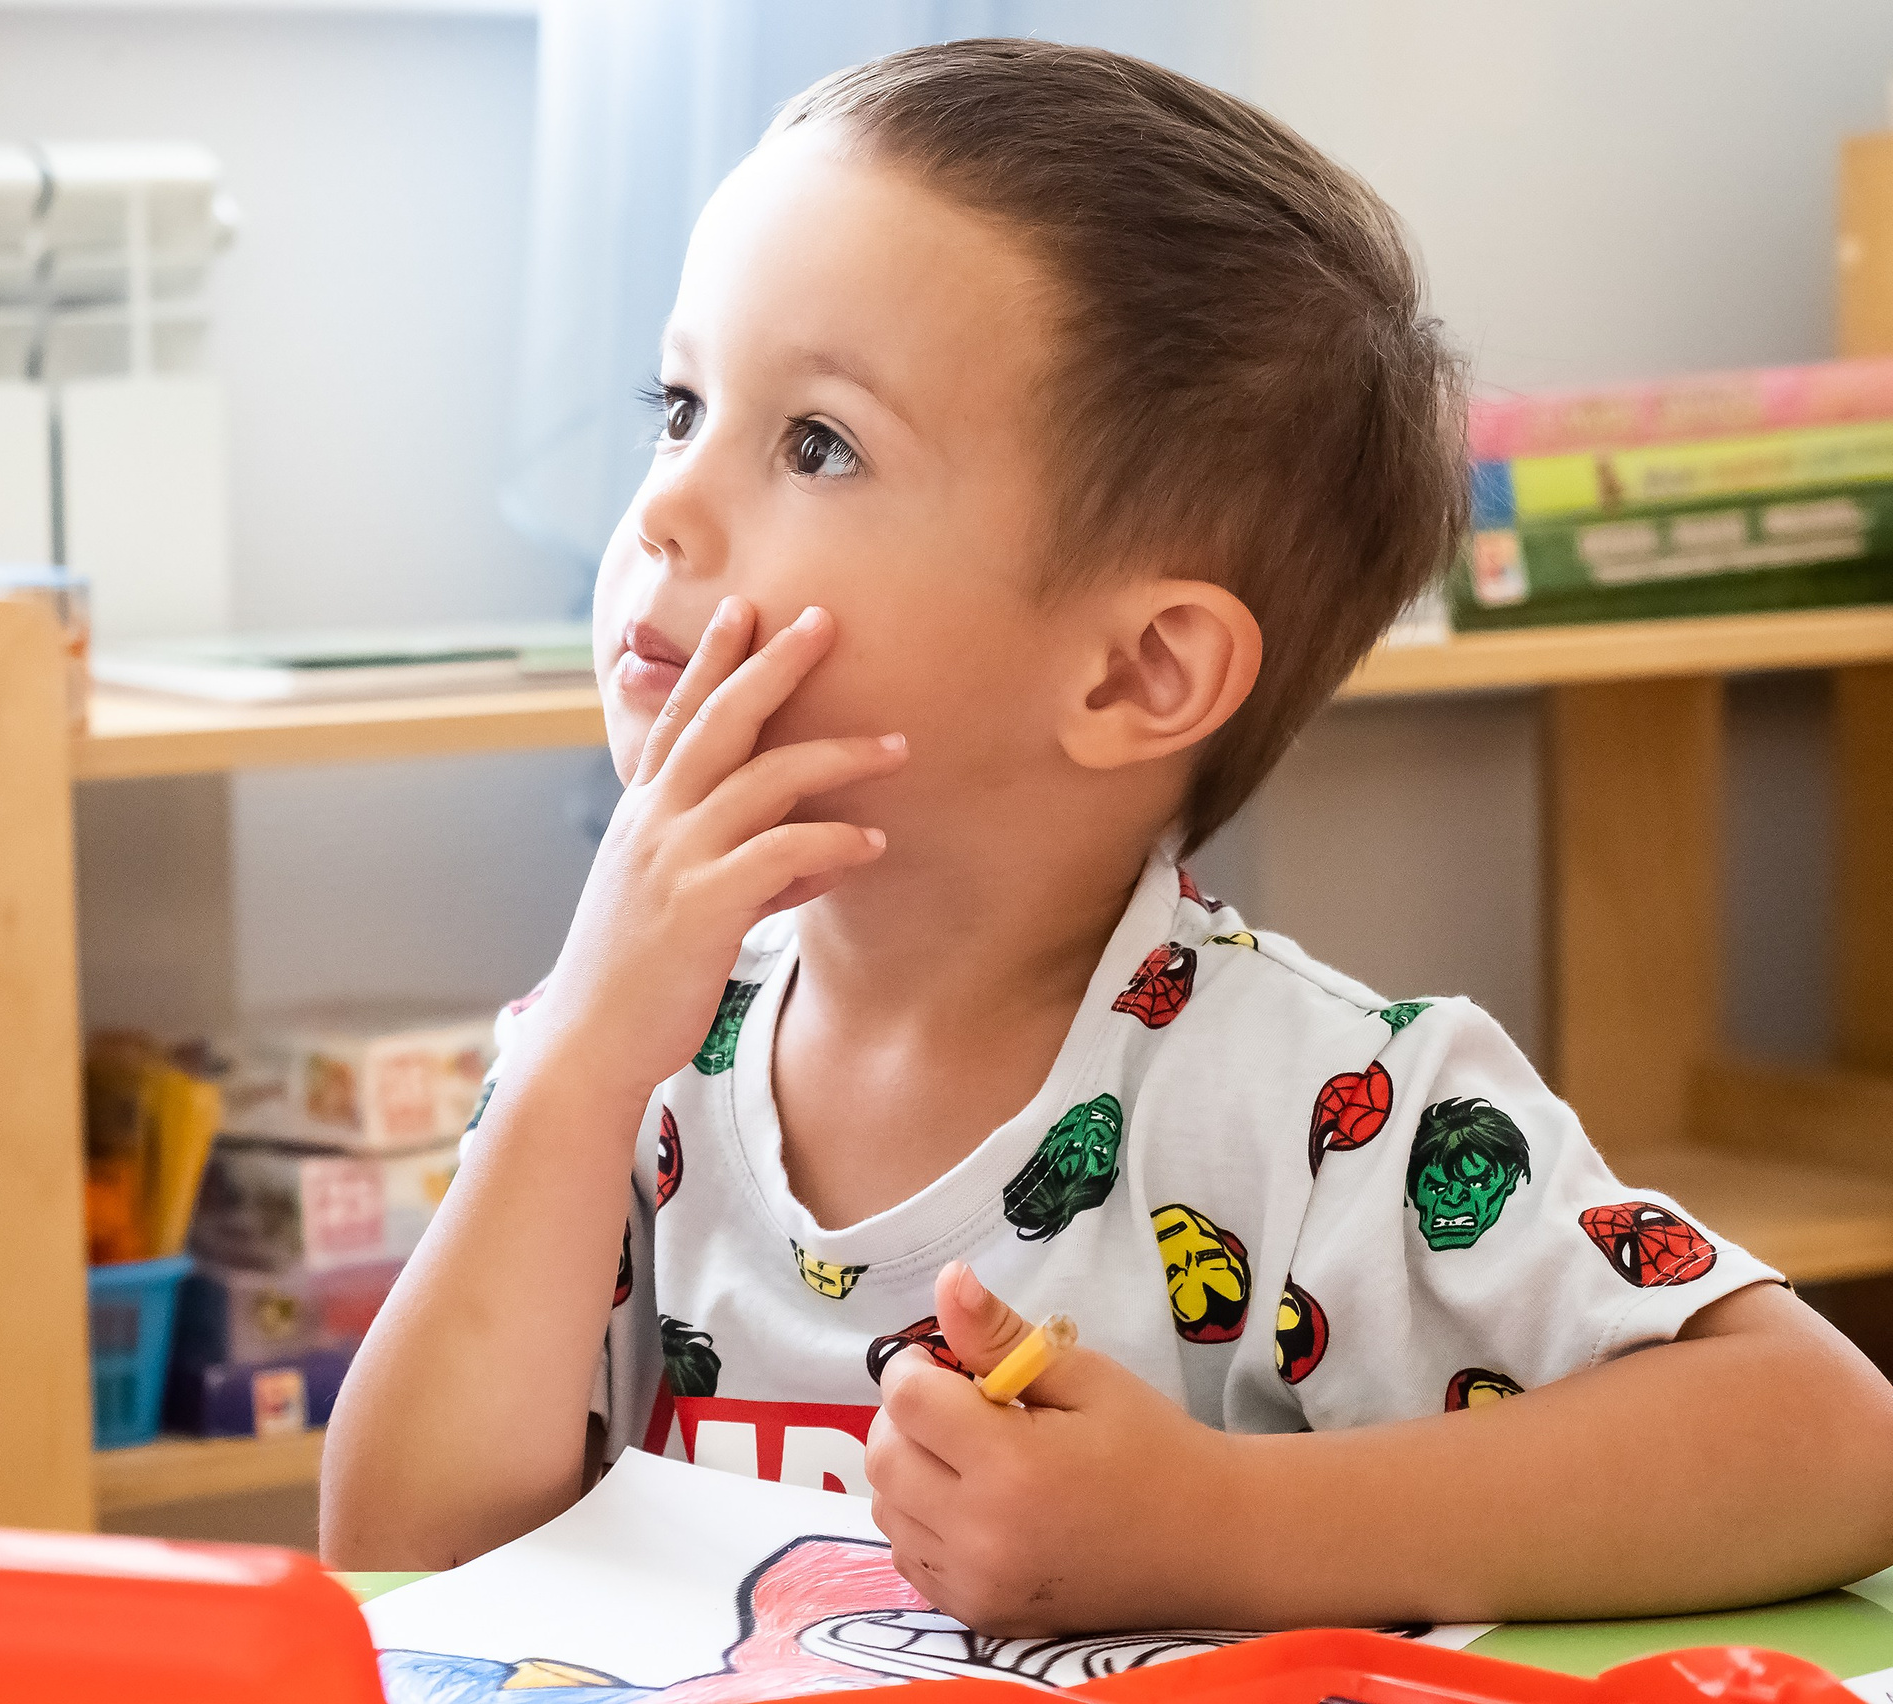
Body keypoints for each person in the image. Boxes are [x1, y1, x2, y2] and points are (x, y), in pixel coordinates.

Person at [321, 38, 1893, 1631]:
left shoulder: (1330, 1114)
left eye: (817, 444)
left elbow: (1830, 1441)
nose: (663, 508)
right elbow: (400, 1552)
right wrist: (577, 1067)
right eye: (680, 408)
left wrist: (1215, 1522)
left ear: (1137, 673)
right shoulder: (616, 1051)